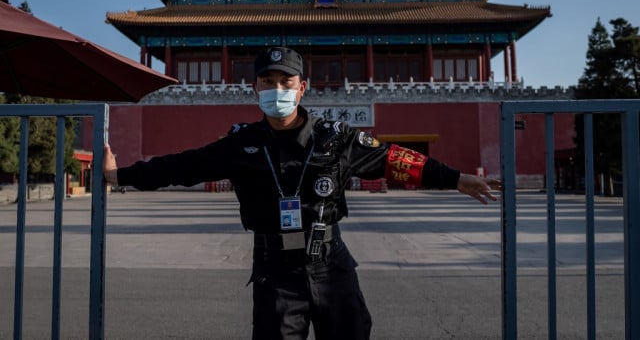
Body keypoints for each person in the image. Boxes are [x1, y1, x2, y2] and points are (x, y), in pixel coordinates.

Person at [103, 46, 501, 340]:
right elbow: (181, 166)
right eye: (268, 82)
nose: (277, 89)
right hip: (275, 272)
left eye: (285, 82)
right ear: (254, 88)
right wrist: (119, 175)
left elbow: (395, 159)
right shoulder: (241, 145)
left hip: (332, 265)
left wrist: (456, 178)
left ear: (302, 88)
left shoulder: (336, 139)